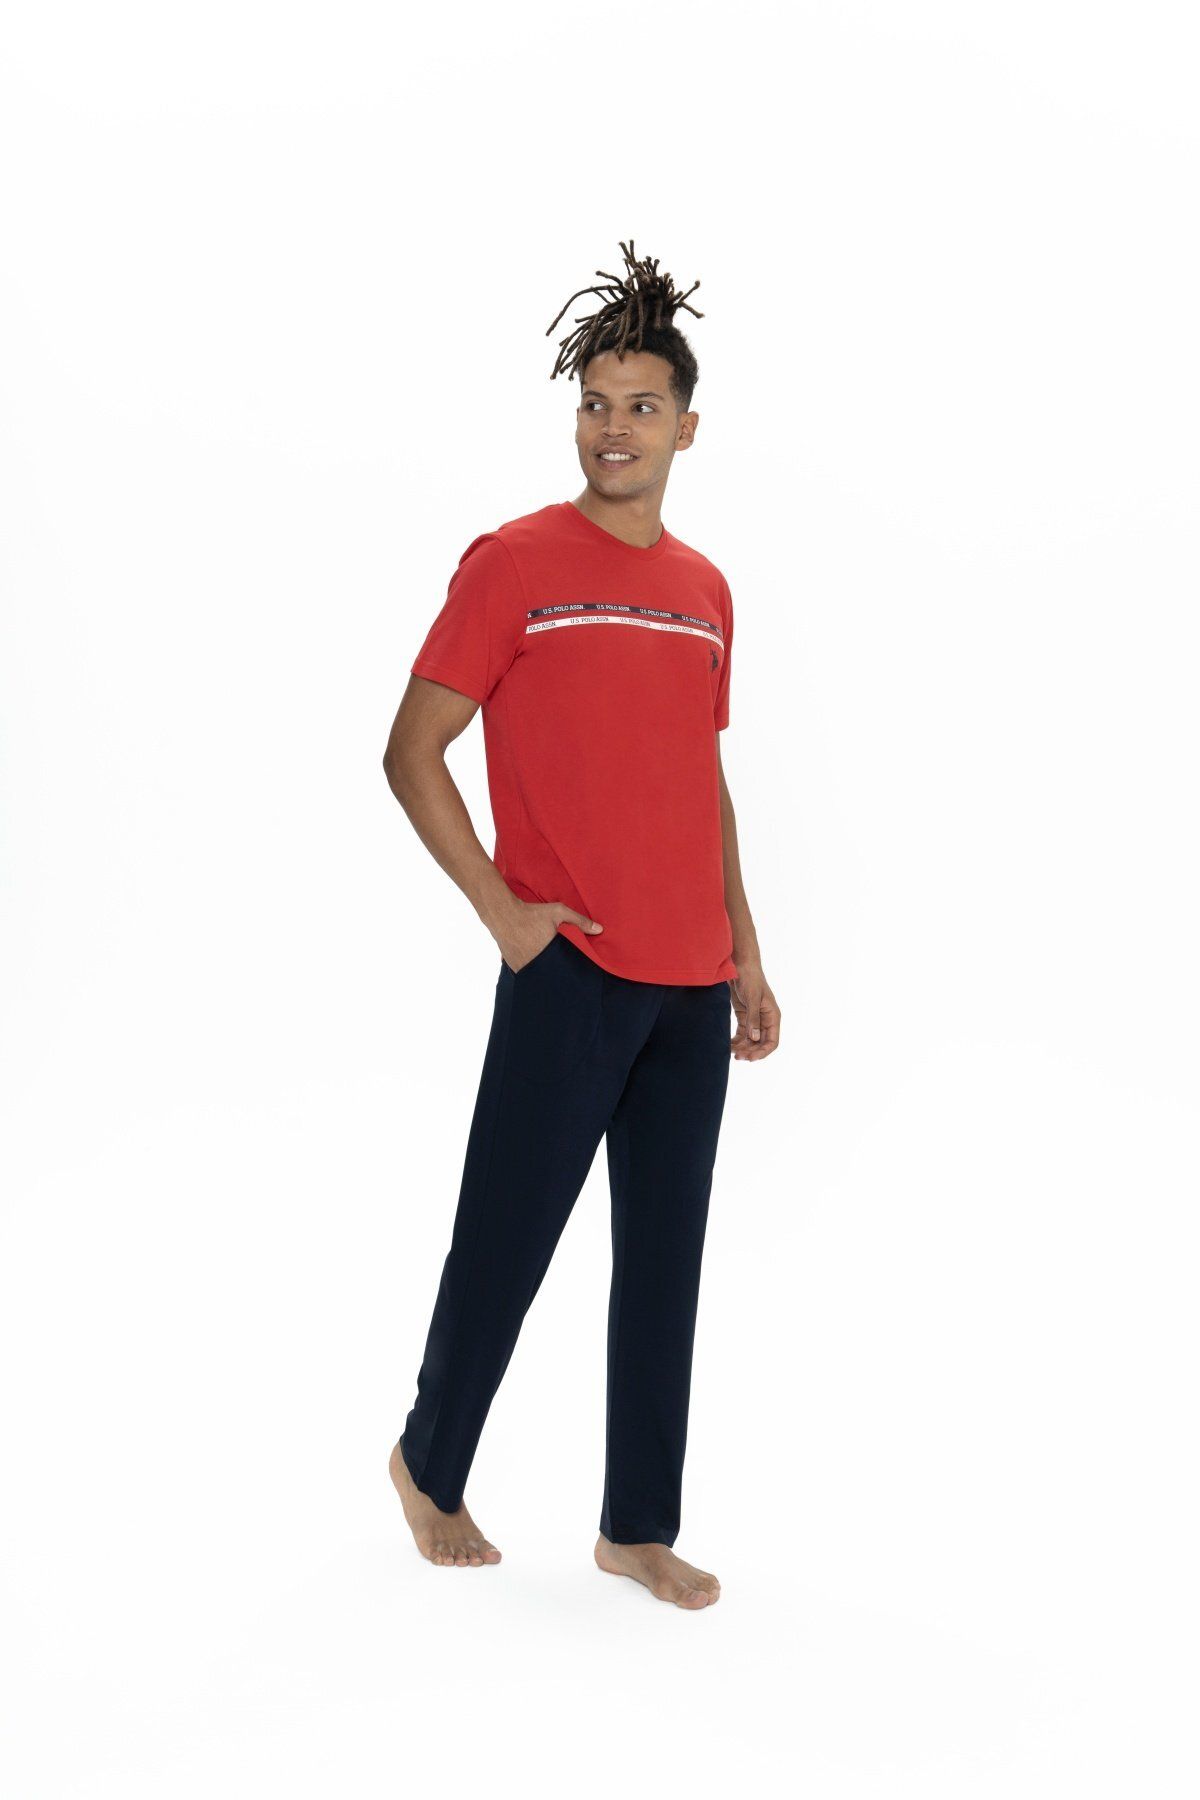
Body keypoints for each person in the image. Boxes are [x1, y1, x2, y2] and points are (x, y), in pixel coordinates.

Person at [382, 240, 780, 1609]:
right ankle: (429, 1466)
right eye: (596, 404)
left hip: (690, 982)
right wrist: (506, 916)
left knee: (665, 1264)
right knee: (505, 1238)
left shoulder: (708, 590)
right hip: (569, 966)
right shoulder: (512, 564)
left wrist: (747, 954)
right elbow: (412, 751)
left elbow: (699, 777)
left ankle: (636, 1528)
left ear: (686, 427)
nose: (616, 427)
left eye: (642, 406)